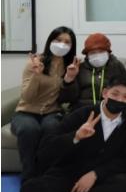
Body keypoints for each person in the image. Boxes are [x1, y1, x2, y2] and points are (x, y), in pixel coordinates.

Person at [20, 75, 126, 192]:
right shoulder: (81, 114)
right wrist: (76, 136)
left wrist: (95, 174)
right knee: (28, 190)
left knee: (123, 186)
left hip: (102, 178)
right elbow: (47, 148)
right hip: (69, 174)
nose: (120, 100)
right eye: (115, 94)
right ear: (105, 93)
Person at [11, 26, 77, 181]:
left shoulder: (71, 66)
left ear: (72, 46)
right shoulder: (35, 63)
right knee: (29, 129)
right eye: (58, 40)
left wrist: (69, 79)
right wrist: (37, 76)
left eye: (67, 42)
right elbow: (27, 97)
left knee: (52, 128)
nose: (62, 44)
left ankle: (46, 176)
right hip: (26, 112)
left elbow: (69, 98)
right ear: (50, 41)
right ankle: (28, 178)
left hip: (52, 112)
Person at [60, 33, 126, 111]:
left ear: (108, 52)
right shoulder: (79, 68)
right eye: (93, 53)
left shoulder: (116, 66)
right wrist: (69, 78)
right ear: (87, 55)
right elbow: (68, 99)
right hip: (82, 110)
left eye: (101, 51)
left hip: (109, 110)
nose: (97, 55)